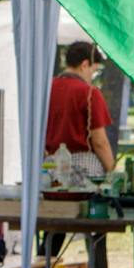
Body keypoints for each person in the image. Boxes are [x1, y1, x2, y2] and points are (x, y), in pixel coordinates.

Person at [46, 41, 116, 175]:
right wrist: (112, 173)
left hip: (50, 167)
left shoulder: (46, 89)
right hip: (83, 169)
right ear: (84, 65)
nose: (92, 76)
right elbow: (99, 142)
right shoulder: (90, 93)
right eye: (94, 71)